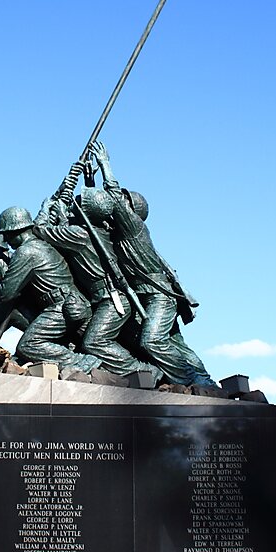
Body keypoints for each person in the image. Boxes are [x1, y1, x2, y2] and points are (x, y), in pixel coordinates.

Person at [88, 140, 216, 387]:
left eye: (125, 205)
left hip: (159, 296)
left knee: (152, 340)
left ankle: (191, 381)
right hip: (148, 296)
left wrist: (105, 166)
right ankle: (204, 378)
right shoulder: (118, 232)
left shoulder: (134, 228)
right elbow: (98, 212)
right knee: (175, 342)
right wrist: (90, 181)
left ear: (131, 211)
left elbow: (113, 199)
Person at [33, 189, 162, 379]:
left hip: (113, 300)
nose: (71, 209)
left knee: (94, 342)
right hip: (106, 299)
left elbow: (40, 230)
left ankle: (145, 371)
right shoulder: (101, 233)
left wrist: (45, 209)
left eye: (76, 205)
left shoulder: (79, 235)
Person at [0, 206, 101, 373]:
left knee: (29, 345)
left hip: (62, 307)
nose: (7, 241)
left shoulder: (26, 251)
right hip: (74, 304)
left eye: (7, 235)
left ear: (16, 231)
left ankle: (81, 361)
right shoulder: (42, 245)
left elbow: (7, 293)